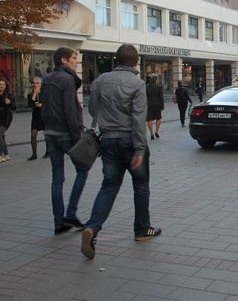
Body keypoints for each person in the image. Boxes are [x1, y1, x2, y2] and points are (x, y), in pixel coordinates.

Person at [81, 44, 161, 260]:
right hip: (130, 142)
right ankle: (142, 229)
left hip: (108, 141)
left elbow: (92, 109)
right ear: (135, 62)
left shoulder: (100, 81)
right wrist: (140, 149)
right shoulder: (137, 83)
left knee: (108, 187)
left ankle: (92, 227)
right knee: (141, 186)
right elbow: (138, 118)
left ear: (116, 60)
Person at [40, 47, 89, 234]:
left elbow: (43, 106)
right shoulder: (67, 79)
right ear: (64, 60)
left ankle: (59, 222)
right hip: (65, 133)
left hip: (50, 133)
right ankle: (71, 213)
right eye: (74, 58)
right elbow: (70, 111)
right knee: (83, 169)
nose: (76, 61)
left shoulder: (47, 79)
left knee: (57, 178)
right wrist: (78, 139)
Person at [0, 79, 17, 164]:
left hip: (6, 118)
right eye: (0, 84)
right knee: (1, 137)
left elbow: (14, 107)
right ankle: (7, 155)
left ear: (6, 86)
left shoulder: (9, 95)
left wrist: (10, 103)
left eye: (3, 84)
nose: (2, 86)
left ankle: (0, 155)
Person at [27, 77, 47, 160]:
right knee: (33, 135)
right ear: (33, 84)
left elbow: (48, 102)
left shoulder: (44, 93)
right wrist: (35, 94)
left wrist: (42, 105)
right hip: (35, 116)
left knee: (47, 134)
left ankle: (48, 151)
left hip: (44, 115)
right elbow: (30, 104)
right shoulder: (30, 94)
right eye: (35, 83)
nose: (37, 85)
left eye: (39, 83)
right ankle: (34, 154)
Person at [146, 75, 164, 140]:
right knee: (158, 118)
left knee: (149, 119)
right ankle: (156, 131)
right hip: (157, 105)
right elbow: (161, 98)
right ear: (156, 80)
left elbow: (144, 97)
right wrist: (162, 106)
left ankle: (151, 134)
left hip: (149, 105)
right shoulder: (159, 87)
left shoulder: (146, 87)